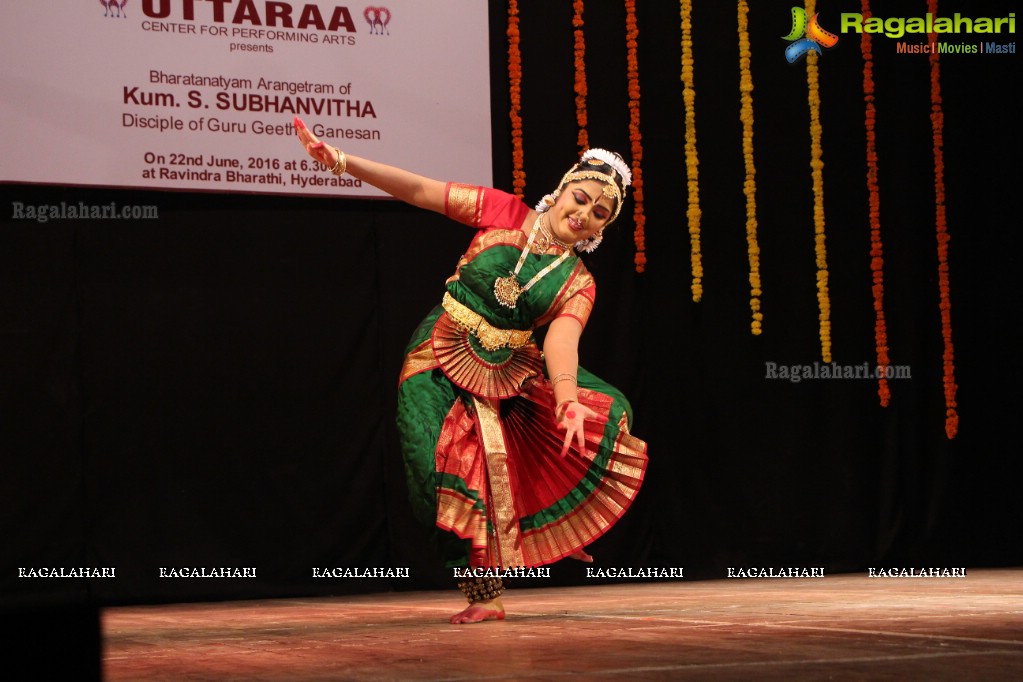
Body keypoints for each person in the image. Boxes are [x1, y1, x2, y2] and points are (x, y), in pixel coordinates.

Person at [295, 116, 648, 624]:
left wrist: (568, 399)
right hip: (439, 351)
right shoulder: (502, 210)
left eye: (600, 214)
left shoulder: (579, 281)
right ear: (563, 189)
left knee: (604, 415)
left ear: (601, 229)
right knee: (427, 467)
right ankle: (501, 548)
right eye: (583, 198)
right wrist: (344, 162)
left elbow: (562, 341)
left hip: (509, 371)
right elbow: (419, 189)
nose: (586, 214)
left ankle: (488, 594)